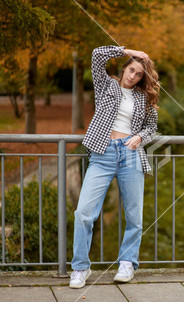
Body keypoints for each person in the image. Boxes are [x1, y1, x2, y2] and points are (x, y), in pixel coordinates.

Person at [69, 45, 159, 289]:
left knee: (134, 215)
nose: (133, 76)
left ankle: (127, 263)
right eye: (131, 69)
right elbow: (97, 54)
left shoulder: (143, 97)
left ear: (143, 78)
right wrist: (134, 51)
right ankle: (80, 267)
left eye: (139, 74)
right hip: (103, 154)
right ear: (124, 67)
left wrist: (140, 137)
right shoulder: (106, 85)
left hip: (130, 155)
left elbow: (152, 126)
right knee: (83, 213)